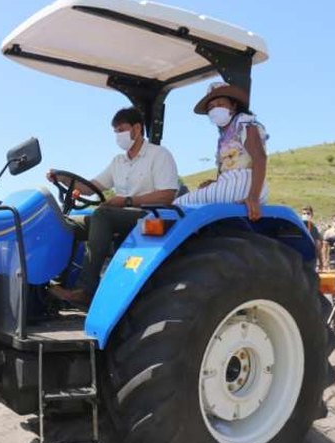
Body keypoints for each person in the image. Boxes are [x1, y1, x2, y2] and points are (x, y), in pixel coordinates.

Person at [47, 107, 179, 305]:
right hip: (118, 216)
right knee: (65, 222)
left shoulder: (158, 155)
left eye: (121, 129)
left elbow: (167, 195)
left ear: (137, 128)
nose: (118, 135)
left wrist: (126, 201)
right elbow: (90, 188)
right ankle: (53, 284)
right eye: (115, 131)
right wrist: (63, 179)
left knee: (102, 214)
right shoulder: (118, 161)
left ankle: (86, 289)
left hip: (148, 216)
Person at [175, 81, 268, 221]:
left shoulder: (243, 122)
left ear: (233, 105)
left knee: (178, 205)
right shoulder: (224, 137)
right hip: (233, 183)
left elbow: (260, 158)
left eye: (220, 104)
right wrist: (215, 183)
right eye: (211, 107)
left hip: (246, 183)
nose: (215, 109)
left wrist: (253, 197)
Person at [301, 205, 324, 269]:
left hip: (311, 259)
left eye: (308, 213)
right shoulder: (298, 227)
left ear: (312, 215)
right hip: (299, 258)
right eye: (304, 213)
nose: (306, 215)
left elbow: (318, 246)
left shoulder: (314, 229)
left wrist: (321, 262)